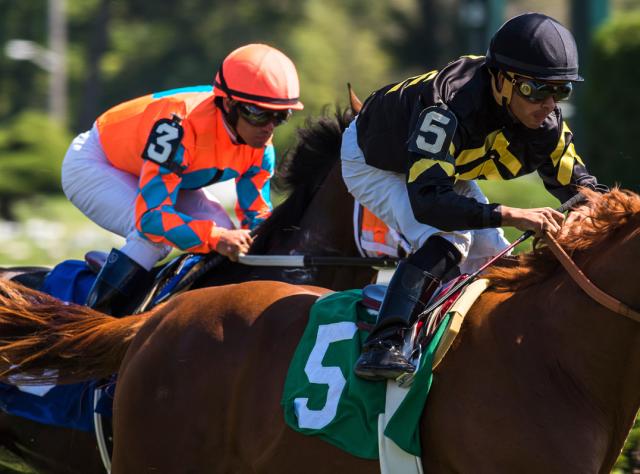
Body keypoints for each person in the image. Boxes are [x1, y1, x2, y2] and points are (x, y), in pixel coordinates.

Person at [341, 12, 607, 380]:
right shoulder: (447, 105)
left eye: (561, 90)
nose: (548, 104)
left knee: (495, 256)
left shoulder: (546, 122)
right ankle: (384, 343)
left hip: (446, 168)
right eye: (536, 89)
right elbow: (430, 201)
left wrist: (602, 215)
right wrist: (511, 213)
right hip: (376, 162)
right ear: (501, 79)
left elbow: (582, 188)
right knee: (448, 239)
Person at [61, 43, 303, 315]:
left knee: (225, 230)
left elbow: (256, 216)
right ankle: (89, 329)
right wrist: (216, 237)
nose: (268, 128)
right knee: (153, 238)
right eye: (259, 114)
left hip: (167, 177)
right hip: (95, 163)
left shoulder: (261, 147)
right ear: (229, 103)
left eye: (280, 116)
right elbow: (152, 217)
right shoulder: (177, 126)